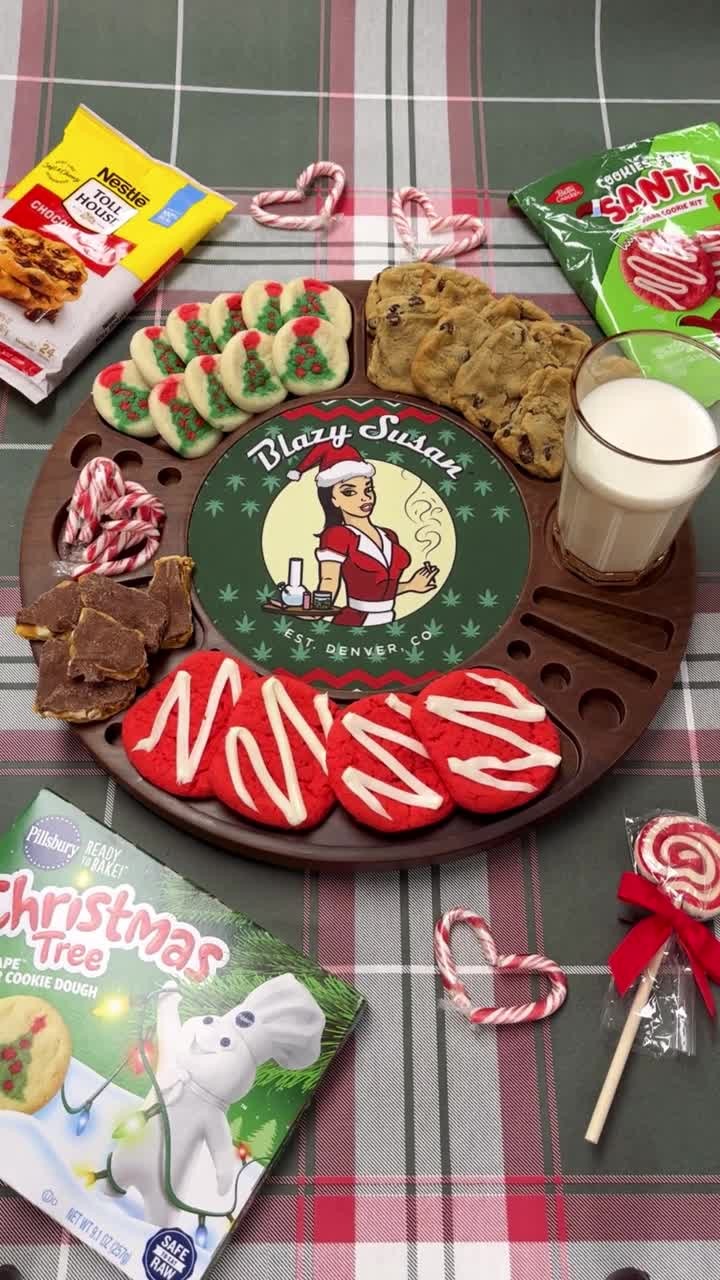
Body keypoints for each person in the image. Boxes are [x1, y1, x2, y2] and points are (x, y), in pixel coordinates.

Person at [287, 441, 438, 626]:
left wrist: (411, 586)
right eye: (350, 492)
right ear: (333, 499)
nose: (365, 497)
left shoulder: (389, 535)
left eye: (368, 489)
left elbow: (379, 588)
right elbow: (329, 580)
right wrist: (316, 611)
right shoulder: (337, 535)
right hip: (357, 620)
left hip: (389, 619)